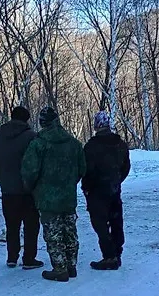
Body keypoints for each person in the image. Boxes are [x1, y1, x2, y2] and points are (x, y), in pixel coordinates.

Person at [21, 107, 86, 282]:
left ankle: (60, 268)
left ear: (42, 123)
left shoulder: (38, 144)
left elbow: (29, 171)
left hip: (47, 197)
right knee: (70, 231)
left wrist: (33, 188)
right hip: (68, 196)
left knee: (53, 233)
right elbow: (82, 169)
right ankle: (71, 265)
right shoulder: (74, 143)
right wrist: (69, 182)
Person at [0, 106, 43, 269]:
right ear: (26, 119)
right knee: (31, 225)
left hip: (8, 191)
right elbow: (38, 163)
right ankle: (29, 259)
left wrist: (2, 181)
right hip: (28, 191)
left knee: (12, 226)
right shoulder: (31, 137)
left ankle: (12, 257)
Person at [82, 111, 130, 270]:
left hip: (97, 191)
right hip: (114, 189)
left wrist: (87, 187)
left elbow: (86, 170)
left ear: (96, 126)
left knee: (100, 224)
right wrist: (117, 180)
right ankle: (117, 252)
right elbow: (126, 167)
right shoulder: (120, 144)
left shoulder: (91, 147)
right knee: (116, 220)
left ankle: (109, 256)